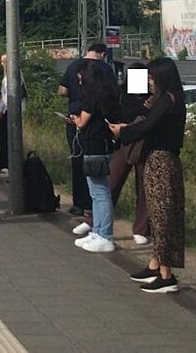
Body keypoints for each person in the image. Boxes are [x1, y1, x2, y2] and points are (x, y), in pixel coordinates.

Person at [110, 57, 187, 293]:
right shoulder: (171, 98)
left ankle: (166, 275)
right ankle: (155, 264)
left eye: (152, 76)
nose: (149, 80)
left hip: (161, 160)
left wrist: (123, 131)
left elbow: (148, 126)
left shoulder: (167, 99)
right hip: (162, 159)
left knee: (163, 216)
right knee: (157, 213)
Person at [58, 42, 113, 231]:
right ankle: (94, 217)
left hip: (82, 127)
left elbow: (62, 91)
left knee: (79, 164)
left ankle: (81, 205)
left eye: (81, 80)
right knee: (97, 180)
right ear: (103, 54)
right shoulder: (106, 69)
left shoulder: (73, 66)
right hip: (101, 133)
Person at [70, 60, 121, 253]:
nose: (79, 80)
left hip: (94, 145)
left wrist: (75, 120)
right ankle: (98, 231)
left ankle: (105, 235)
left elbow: (83, 122)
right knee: (97, 192)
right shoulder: (108, 93)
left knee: (99, 193)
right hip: (105, 145)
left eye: (81, 76)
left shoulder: (91, 96)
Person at [108, 62, 151, 244]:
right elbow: (112, 113)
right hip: (123, 142)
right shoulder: (121, 93)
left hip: (145, 144)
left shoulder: (153, 97)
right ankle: (99, 223)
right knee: (111, 182)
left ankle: (141, 229)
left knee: (144, 187)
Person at [0, 53, 26, 173]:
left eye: (3, 62)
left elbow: (10, 97)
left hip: (11, 110)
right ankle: (3, 161)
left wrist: (4, 108)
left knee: (5, 136)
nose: (1, 64)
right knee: (2, 135)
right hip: (7, 110)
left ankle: (7, 163)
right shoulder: (8, 77)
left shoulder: (13, 78)